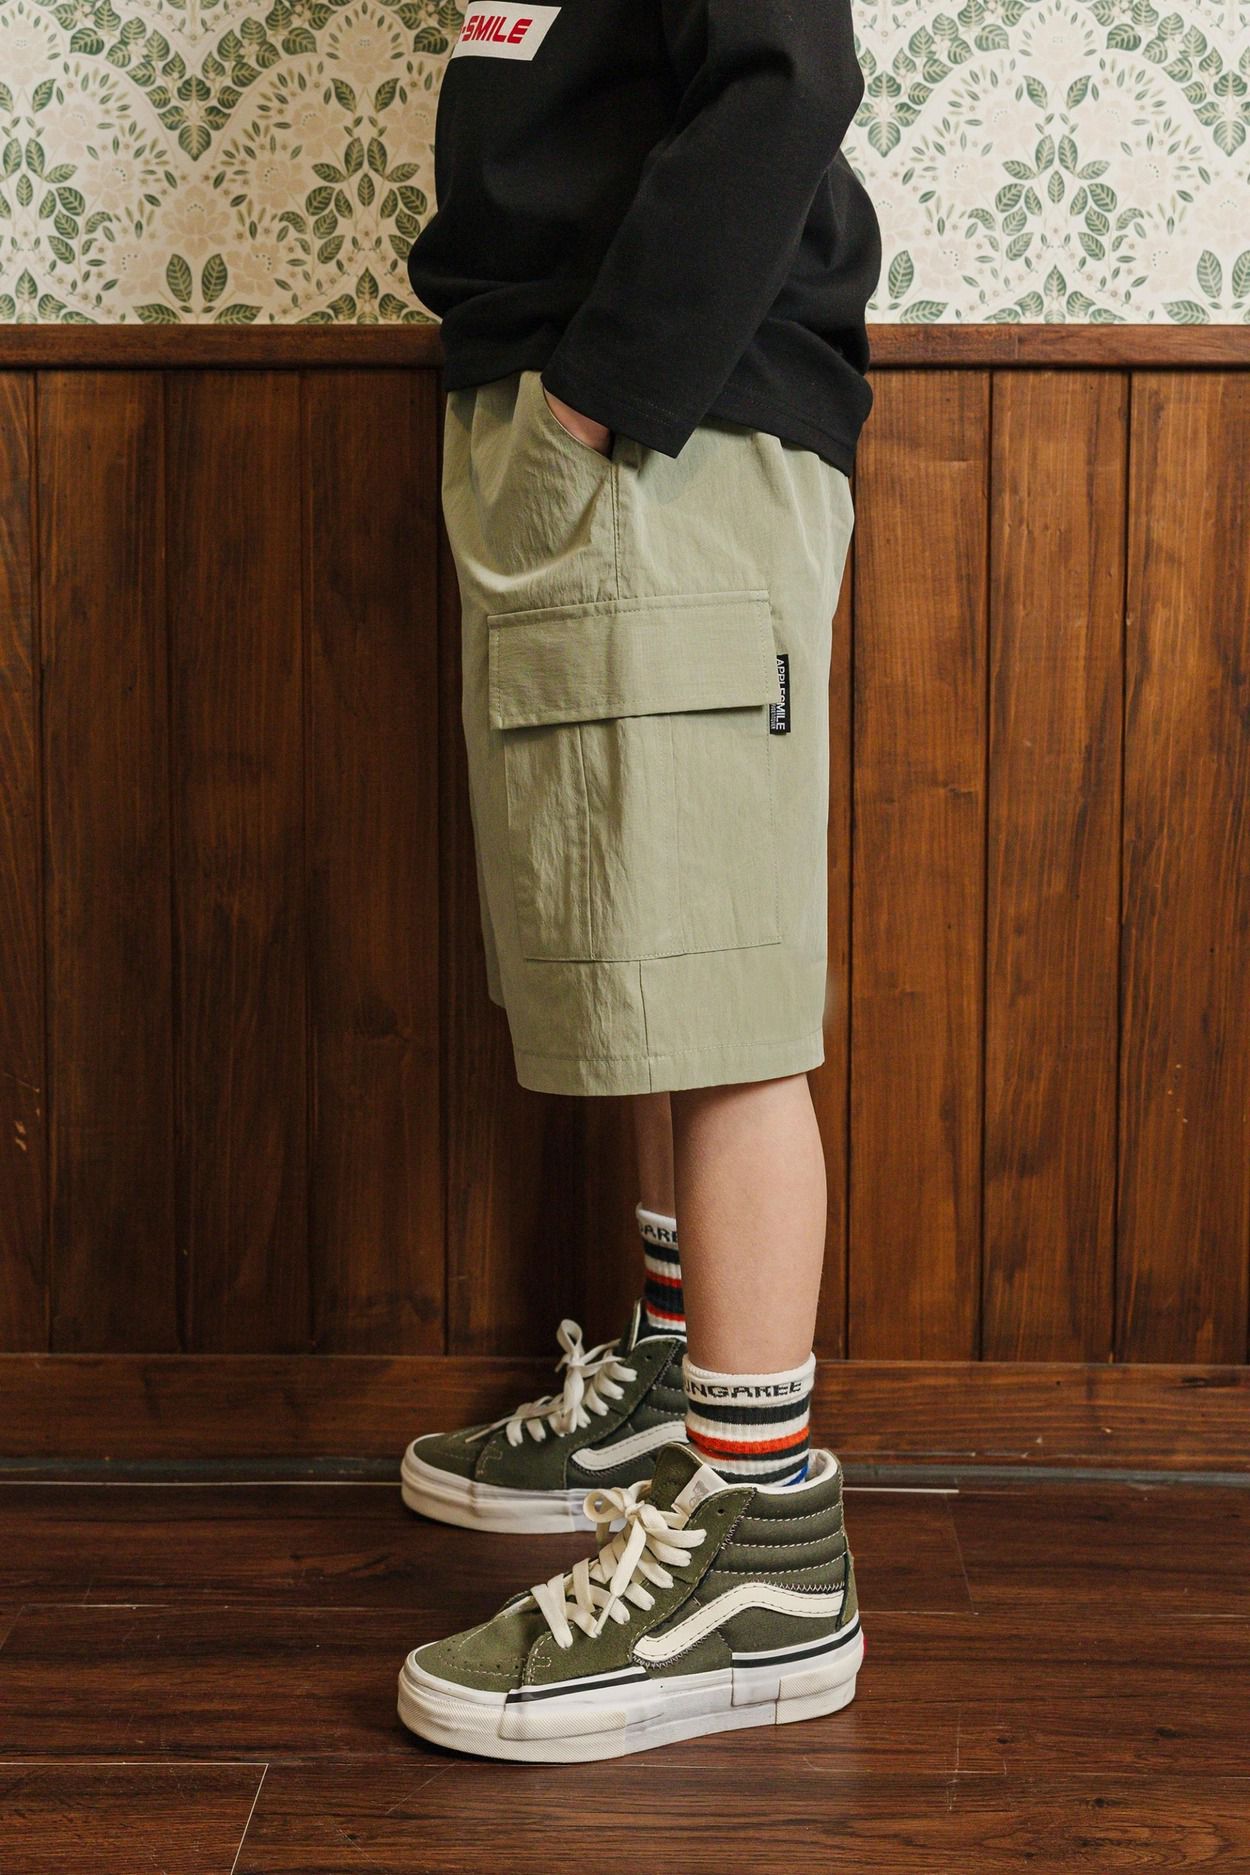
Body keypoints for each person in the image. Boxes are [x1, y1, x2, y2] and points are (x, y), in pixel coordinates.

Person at [396, 0, 881, 1762]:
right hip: (590, 426)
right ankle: (679, 1391)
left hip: (658, 434)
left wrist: (599, 401)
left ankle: (759, 1541)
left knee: (720, 991)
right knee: (647, 968)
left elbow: (787, 80)